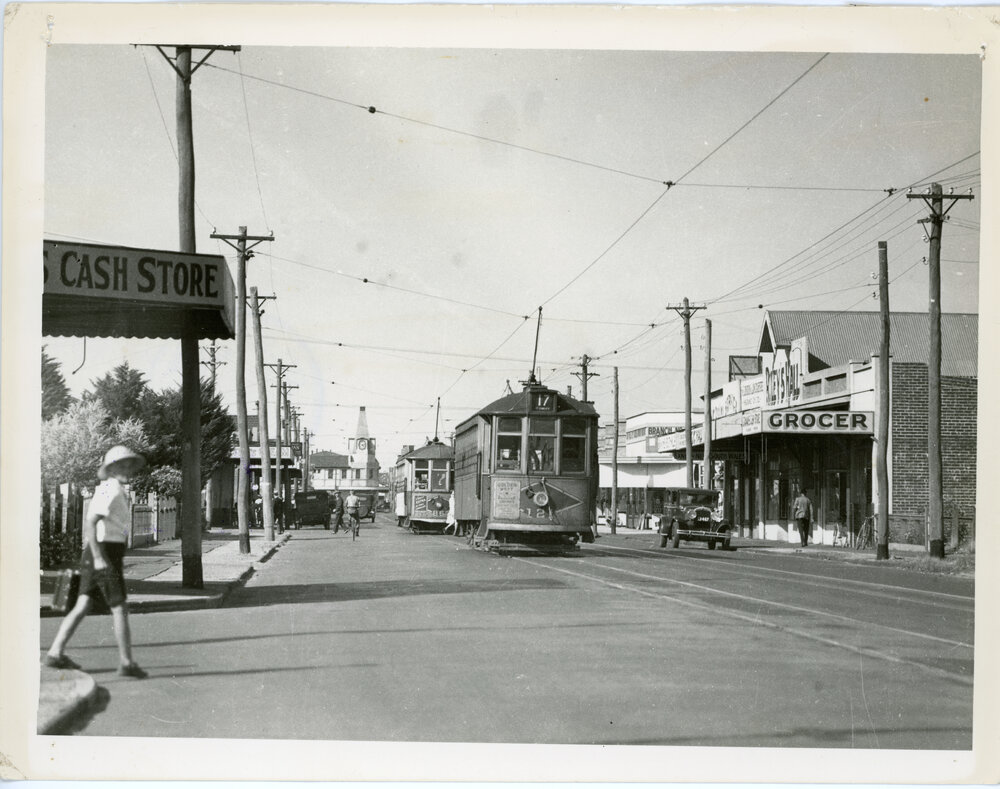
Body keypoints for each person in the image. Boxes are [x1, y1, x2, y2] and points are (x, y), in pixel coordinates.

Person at [43, 445, 148, 679]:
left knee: (83, 605)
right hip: (102, 553)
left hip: (104, 552)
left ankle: (55, 652)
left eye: (129, 465)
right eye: (121, 465)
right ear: (111, 468)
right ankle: (127, 662)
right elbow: (90, 523)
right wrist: (100, 558)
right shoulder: (109, 490)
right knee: (119, 607)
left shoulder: (117, 490)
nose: (127, 469)